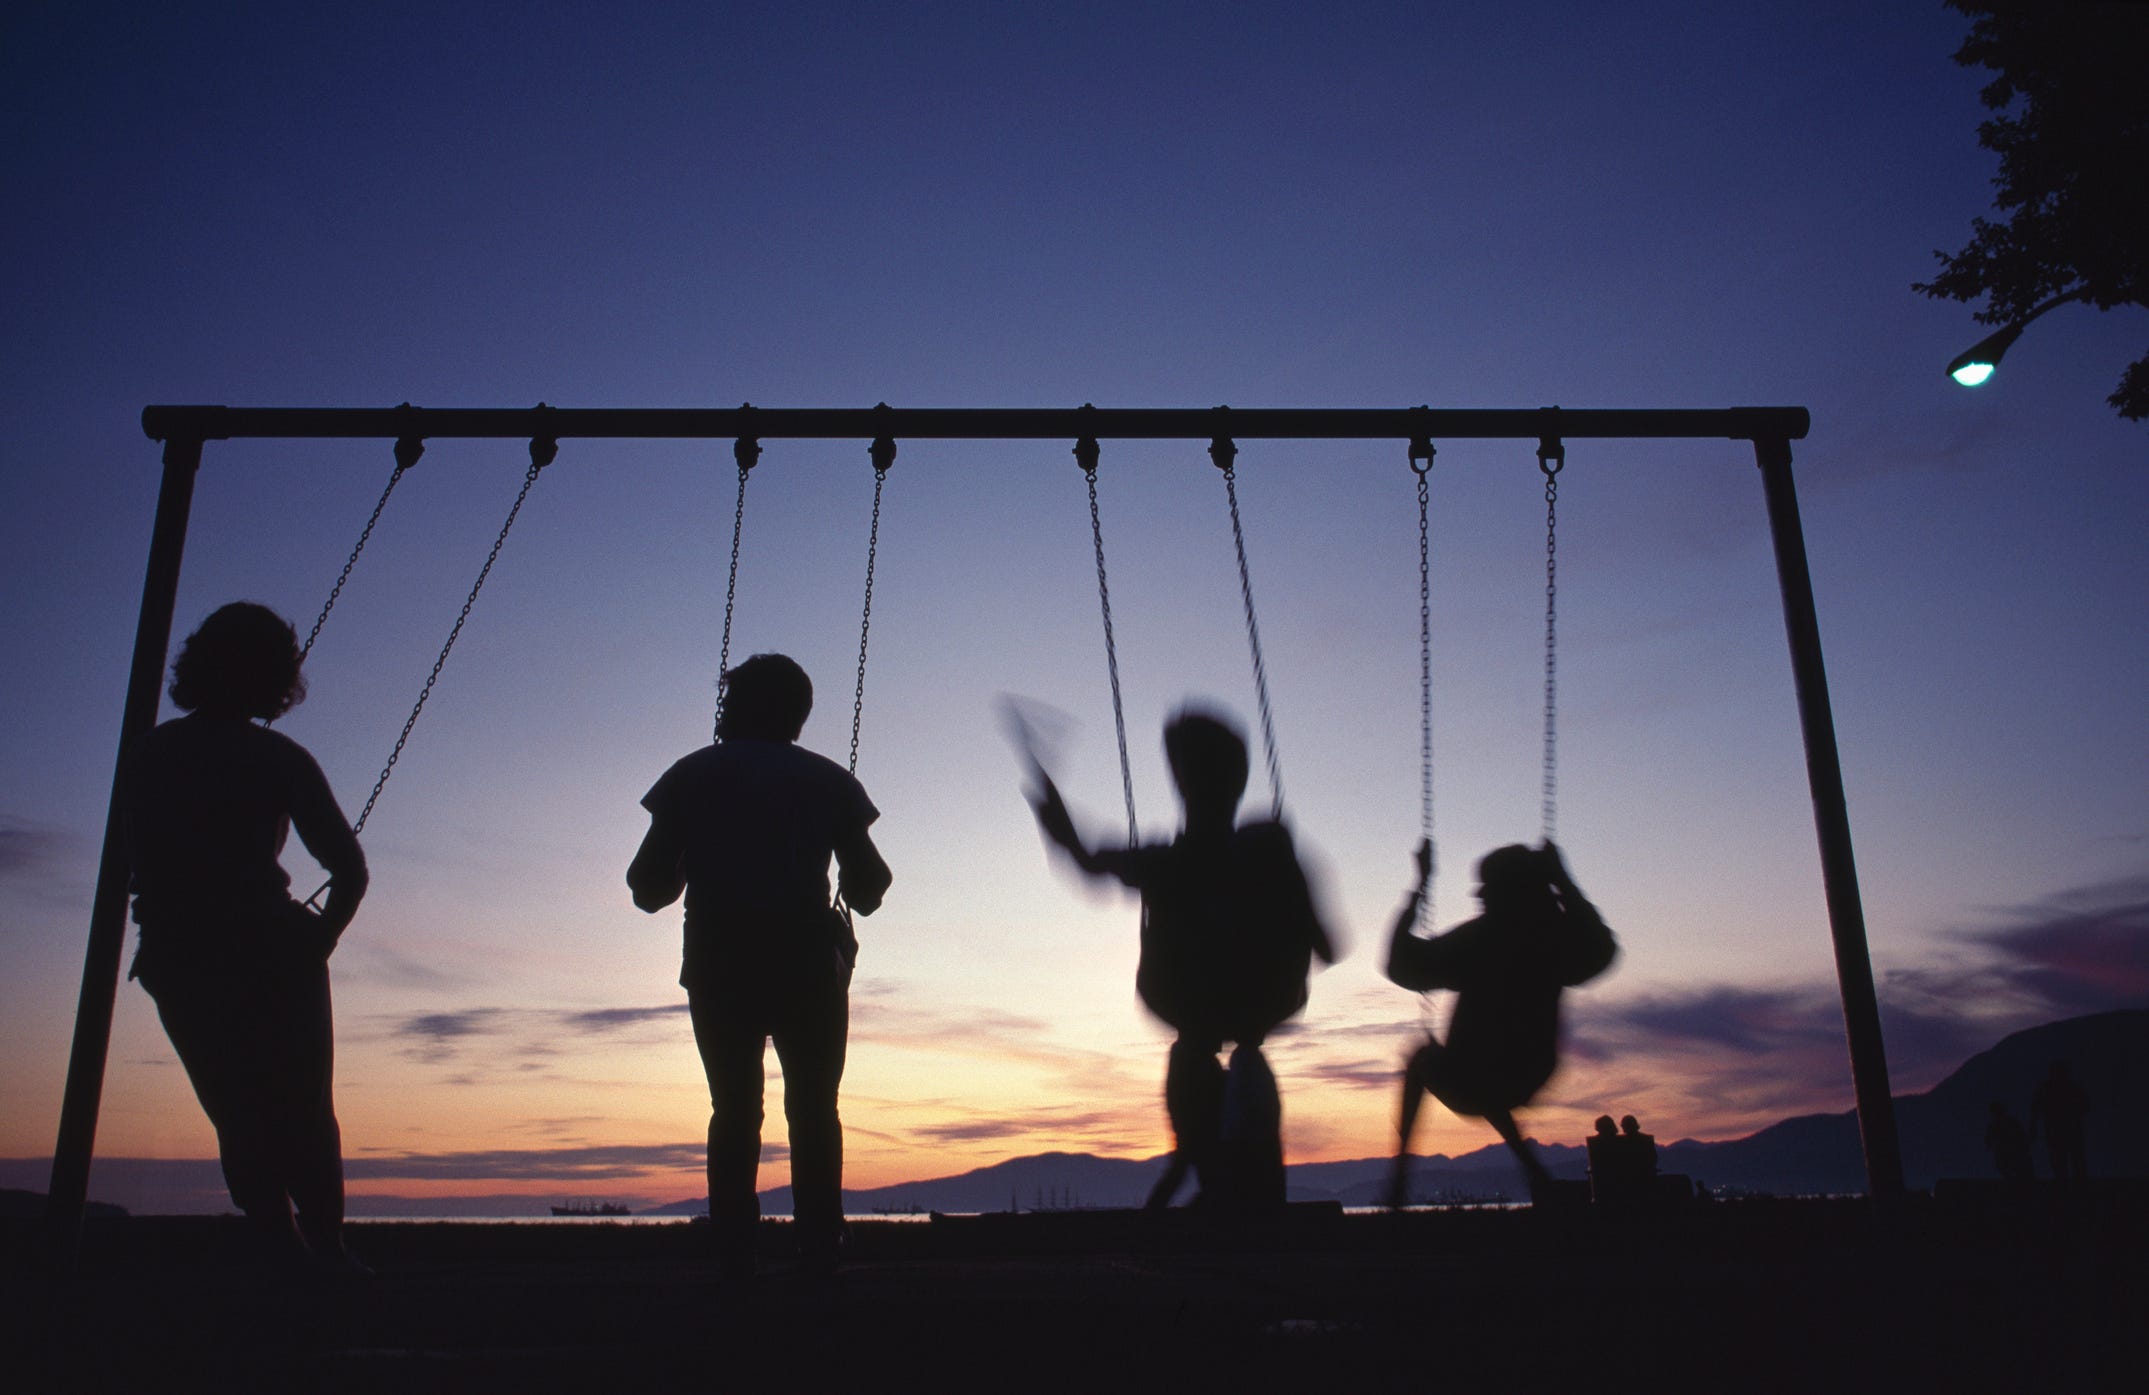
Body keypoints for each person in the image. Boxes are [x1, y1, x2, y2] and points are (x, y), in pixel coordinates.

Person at [121, 602, 369, 1273]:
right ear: (275, 677)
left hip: (177, 951)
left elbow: (128, 862)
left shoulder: (148, 754)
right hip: (270, 947)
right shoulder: (277, 756)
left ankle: (281, 1245)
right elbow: (348, 869)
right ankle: (325, 1249)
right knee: (305, 1110)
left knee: (236, 1107)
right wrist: (320, 940)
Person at [628, 653, 891, 1277]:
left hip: (720, 965)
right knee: (814, 1107)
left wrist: (700, 858)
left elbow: (646, 888)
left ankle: (734, 1247)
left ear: (738, 707)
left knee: (735, 1110)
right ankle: (821, 1243)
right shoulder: (829, 781)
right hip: (806, 965)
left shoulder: (690, 776)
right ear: (798, 718)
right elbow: (871, 889)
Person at [1032, 707, 1335, 1210]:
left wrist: (1050, 809)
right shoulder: (1266, 852)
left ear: (1182, 782)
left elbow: (1086, 858)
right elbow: (1327, 945)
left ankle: (1209, 1188)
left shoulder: (1169, 864)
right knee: (1217, 1077)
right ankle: (1223, 1190)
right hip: (1256, 1007)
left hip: (1197, 1015)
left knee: (1193, 1071)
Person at [1384, 839, 1615, 1205]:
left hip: (1476, 1075)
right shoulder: (1555, 937)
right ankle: (1534, 1171)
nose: (1482, 898)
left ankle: (1399, 1177)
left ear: (1504, 893)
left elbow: (1401, 966)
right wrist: (1563, 880)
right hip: (1530, 1072)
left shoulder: (1482, 938)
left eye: (1487, 892)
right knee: (1484, 1070)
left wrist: (1421, 883)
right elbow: (1603, 949)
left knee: (1424, 1060)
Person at [2029, 1060, 2090, 1183]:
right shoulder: (2072, 1088)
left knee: (2060, 1159)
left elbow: (2035, 1108)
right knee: (2072, 1159)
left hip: (2056, 1129)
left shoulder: (2046, 1088)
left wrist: (2033, 1126)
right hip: (2070, 1128)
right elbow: (2085, 1106)